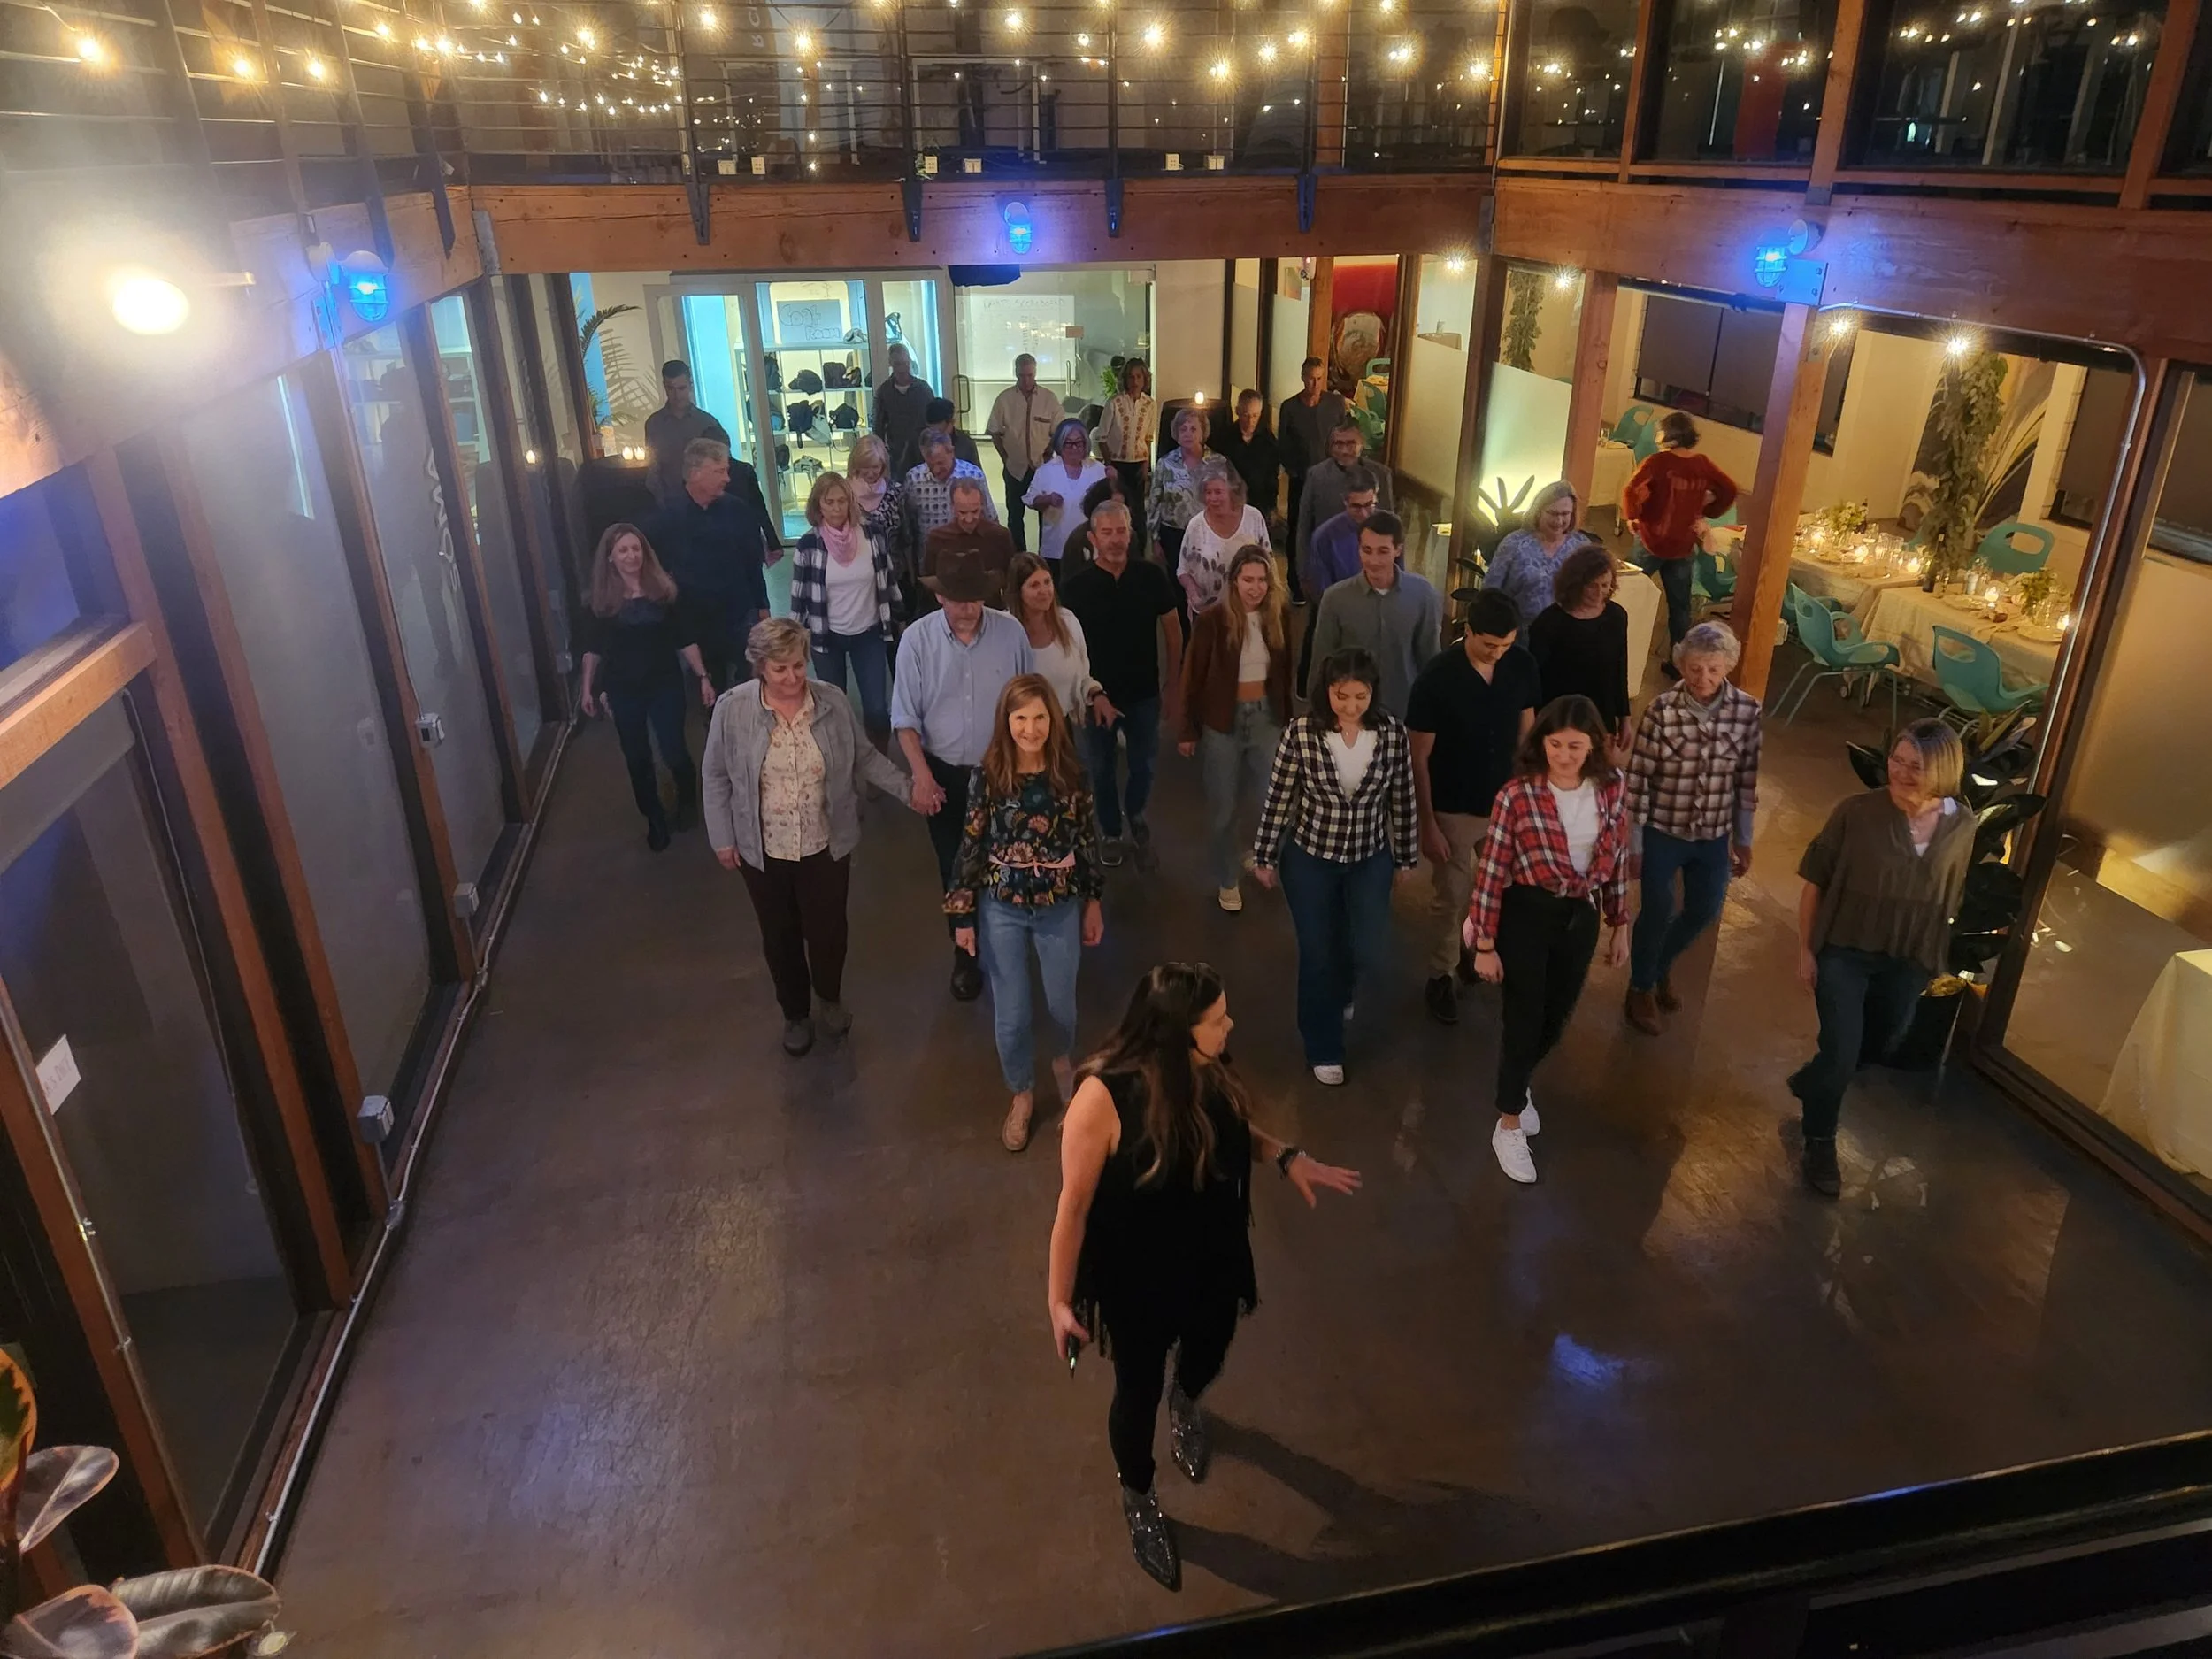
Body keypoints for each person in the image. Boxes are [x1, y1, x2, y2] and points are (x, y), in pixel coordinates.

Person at [1048, 962, 1362, 1590]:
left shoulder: (1204, 1069)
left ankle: (1185, 1398)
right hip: (1136, 1275)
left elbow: (1230, 1129)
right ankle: (1138, 1492)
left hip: (1210, 1250)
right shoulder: (1100, 1099)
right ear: (1175, 1033)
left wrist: (1285, 1156)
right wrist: (1057, 1300)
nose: (1231, 1026)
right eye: (1218, 1020)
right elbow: (1073, 1208)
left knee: (1211, 1344)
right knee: (1135, 1392)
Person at [703, 618, 916, 1055]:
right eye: (780, 669)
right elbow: (715, 775)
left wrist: (911, 791)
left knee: (829, 930)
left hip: (825, 842)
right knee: (779, 934)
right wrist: (722, 837)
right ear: (760, 667)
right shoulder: (733, 708)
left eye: (799, 665)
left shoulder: (832, 702)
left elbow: (865, 757)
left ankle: (830, 999)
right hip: (762, 848)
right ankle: (795, 1014)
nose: (792, 677)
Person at [1789, 718, 1970, 1197]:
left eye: (1917, 765)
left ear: (1944, 770)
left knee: (1878, 1045)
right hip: (1844, 951)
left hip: (1908, 959)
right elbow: (1814, 883)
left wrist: (1935, 957)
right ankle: (1820, 1142)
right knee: (1843, 1050)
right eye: (1897, 760)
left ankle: (1815, 1080)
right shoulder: (1856, 813)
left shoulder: (1962, 825)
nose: (1902, 772)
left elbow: (1948, 897)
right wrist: (1806, 950)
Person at [1465, 695, 1633, 1185]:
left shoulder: (1612, 788)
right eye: (1555, 744)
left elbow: (1618, 854)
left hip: (1579, 914)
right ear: (1541, 743)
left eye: (1574, 745)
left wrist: (1621, 920)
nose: (1563, 754)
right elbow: (1493, 870)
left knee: (1556, 1018)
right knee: (1523, 1016)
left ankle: (1518, 1083)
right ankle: (1509, 1121)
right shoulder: (1517, 795)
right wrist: (1485, 943)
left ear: (1594, 746)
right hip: (1525, 912)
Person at [948, 675, 1107, 1152]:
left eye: (1040, 717)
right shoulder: (989, 775)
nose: (1031, 728)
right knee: (1012, 1013)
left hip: (1058, 907)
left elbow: (1086, 841)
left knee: (1062, 1004)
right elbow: (970, 844)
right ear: (1006, 721)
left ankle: (1062, 1059)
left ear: (1053, 720)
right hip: (1003, 908)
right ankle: (1021, 1092)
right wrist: (962, 916)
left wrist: (1092, 900)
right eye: (1021, 718)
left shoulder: (1072, 774)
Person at [1251, 648, 1419, 1085]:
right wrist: (1265, 854)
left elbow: (1401, 797)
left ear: (1372, 694)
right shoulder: (1301, 733)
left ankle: (1342, 989)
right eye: (1341, 696)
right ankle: (1322, 1045)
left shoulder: (1392, 734)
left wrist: (1405, 855)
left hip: (1369, 858)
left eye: (1360, 697)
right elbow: (1280, 797)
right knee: (1318, 951)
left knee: (1366, 946)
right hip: (1310, 859)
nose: (1349, 706)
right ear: (1326, 692)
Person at [892, 545, 1036, 1001]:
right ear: (940, 598)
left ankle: (1009, 947)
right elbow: (905, 719)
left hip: (1004, 771)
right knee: (954, 867)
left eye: (975, 598)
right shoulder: (917, 641)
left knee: (1010, 861)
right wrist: (921, 776)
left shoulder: (1011, 634)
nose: (968, 608)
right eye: (958, 599)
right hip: (944, 774)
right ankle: (965, 955)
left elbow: (1031, 706)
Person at [1406, 588, 1541, 1025]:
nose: (1499, 654)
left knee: (1501, 889)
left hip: (1503, 804)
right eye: (1489, 645)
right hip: (1453, 806)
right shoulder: (1438, 677)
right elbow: (1418, 756)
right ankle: (1440, 974)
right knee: (1452, 894)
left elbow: (1526, 734)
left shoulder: (1521, 666)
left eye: (1506, 644)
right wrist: (1427, 823)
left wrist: (1527, 799)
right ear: (1468, 631)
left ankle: (1476, 950)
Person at [1623, 620, 1763, 1036]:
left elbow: (1747, 778)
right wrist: (1633, 843)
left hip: (1713, 834)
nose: (1704, 679)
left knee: (1705, 908)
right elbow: (1639, 780)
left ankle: (1659, 965)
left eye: (1714, 669)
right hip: (1663, 831)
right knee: (1658, 908)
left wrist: (1744, 837)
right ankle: (1641, 987)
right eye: (1696, 668)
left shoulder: (1747, 711)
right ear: (1682, 664)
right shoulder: (1661, 711)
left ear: (1728, 667)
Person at [1059, 501, 1185, 873]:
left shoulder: (1151, 576)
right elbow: (1066, 645)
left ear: (1130, 534)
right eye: (1107, 533)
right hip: (1095, 696)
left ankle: (1137, 813)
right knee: (1098, 767)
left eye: (1121, 531)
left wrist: (1173, 684)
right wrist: (1075, 695)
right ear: (1093, 538)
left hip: (1144, 691)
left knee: (1144, 764)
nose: (1115, 540)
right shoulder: (1075, 588)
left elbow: (1174, 633)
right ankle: (1111, 830)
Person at [578, 523, 716, 851]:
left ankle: (686, 801)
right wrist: (587, 689)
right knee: (637, 756)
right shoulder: (601, 600)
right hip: (623, 687)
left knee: (673, 749)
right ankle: (654, 817)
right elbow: (593, 648)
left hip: (664, 683)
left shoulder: (663, 591)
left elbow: (684, 639)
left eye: (636, 548)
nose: (631, 556)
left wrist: (702, 676)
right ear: (610, 557)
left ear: (645, 552)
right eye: (623, 550)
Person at [1178, 546, 1292, 913]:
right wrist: (1187, 729)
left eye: (1262, 580)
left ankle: (1257, 853)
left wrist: (1288, 720)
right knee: (1223, 808)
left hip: (1266, 719)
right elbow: (1192, 676)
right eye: (1248, 580)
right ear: (1234, 582)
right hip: (1221, 720)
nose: (1256, 588)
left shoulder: (1279, 616)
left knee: (1269, 801)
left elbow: (1284, 674)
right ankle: (1228, 879)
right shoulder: (1213, 619)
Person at [647, 437, 778, 692]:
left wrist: (763, 608)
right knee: (710, 691)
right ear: (695, 474)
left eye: (726, 470)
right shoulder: (668, 517)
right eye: (719, 471)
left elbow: (753, 563)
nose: (727, 478)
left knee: (753, 687)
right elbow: (659, 569)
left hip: (739, 616)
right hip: (696, 621)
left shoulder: (737, 510)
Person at [1305, 511, 1441, 720]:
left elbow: (1430, 661)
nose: (1373, 560)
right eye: (1366, 550)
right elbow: (1321, 663)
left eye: (1382, 551)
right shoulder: (1335, 598)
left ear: (1398, 550)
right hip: (1350, 715)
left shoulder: (1423, 595)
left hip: (1405, 713)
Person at [1621, 411, 1739, 653]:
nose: (1657, 435)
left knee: (1624, 591)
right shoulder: (1703, 464)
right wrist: (1710, 506)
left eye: (1660, 431)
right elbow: (1730, 489)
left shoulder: (1657, 462)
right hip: (1683, 546)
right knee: (1680, 607)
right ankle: (1678, 660)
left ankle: (1619, 645)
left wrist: (1632, 516)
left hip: (1651, 540)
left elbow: (1631, 490)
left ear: (1669, 434)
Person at [789, 472, 896, 738]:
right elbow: (799, 598)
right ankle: (841, 764)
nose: (836, 509)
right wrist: (794, 641)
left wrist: (898, 619)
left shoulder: (872, 536)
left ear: (850, 502)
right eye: (829, 502)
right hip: (827, 638)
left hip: (869, 633)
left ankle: (878, 763)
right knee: (831, 710)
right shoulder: (808, 545)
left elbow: (888, 581)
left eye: (841, 501)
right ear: (817, 506)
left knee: (876, 710)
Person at [642, 360, 781, 547]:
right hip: (671, 507)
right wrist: (660, 503)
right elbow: (653, 468)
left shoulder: (706, 423)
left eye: (681, 388)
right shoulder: (654, 424)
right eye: (670, 389)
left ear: (690, 385)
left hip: (707, 509)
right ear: (664, 386)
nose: (676, 395)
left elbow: (723, 467)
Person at [1527, 544, 1632, 748]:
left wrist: (1625, 719)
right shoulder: (1549, 622)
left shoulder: (1616, 617)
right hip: (1559, 719)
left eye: (1605, 585)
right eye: (1592, 585)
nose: (1599, 593)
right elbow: (1534, 682)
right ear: (1575, 584)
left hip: (1601, 717)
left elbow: (1619, 670)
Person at [1483, 481, 1601, 641]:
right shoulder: (1514, 543)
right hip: (1517, 637)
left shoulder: (1581, 547)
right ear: (1538, 512)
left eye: (1565, 514)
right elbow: (1489, 592)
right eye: (1553, 513)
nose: (1559, 521)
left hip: (1564, 637)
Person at [1297, 469, 1379, 687]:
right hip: (1340, 616)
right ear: (1344, 501)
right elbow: (1324, 593)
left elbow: (1398, 574)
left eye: (1369, 504)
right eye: (1356, 506)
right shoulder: (1324, 536)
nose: (1364, 514)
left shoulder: (1387, 527)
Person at [1293, 421, 1395, 572]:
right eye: (1338, 444)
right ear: (1330, 447)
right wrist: (1303, 569)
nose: (1345, 451)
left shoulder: (1381, 474)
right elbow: (1304, 525)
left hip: (1370, 562)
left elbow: (1390, 524)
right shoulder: (1316, 475)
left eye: (1351, 444)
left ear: (1362, 444)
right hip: (1328, 560)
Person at [1008, 553, 1097, 719]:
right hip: (1021, 729)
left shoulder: (1068, 621)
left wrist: (1097, 694)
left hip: (1064, 726)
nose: (1044, 591)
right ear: (1018, 592)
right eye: (1034, 585)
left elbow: (1083, 676)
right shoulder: (1005, 630)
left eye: (1047, 582)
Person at [987, 353, 1062, 554]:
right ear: (1015, 373)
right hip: (1015, 468)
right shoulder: (1004, 399)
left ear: (1035, 372)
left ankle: (1045, 555)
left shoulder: (1049, 399)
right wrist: (1005, 458)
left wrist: (1049, 454)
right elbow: (994, 431)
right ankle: (1018, 556)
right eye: (1021, 376)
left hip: (1042, 468)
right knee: (1015, 515)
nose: (1026, 380)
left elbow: (1059, 432)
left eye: (1029, 375)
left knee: (1046, 515)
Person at [1278, 357, 1349, 563]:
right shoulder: (1290, 408)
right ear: (1303, 378)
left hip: (1330, 479)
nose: (1315, 384)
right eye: (1311, 379)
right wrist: (1294, 470)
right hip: (1301, 479)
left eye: (1319, 378)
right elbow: (1283, 444)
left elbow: (1342, 436)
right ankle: (1296, 580)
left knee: (1328, 526)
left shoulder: (1335, 404)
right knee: (1298, 528)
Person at [1175, 463, 1270, 615]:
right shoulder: (1196, 526)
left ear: (1233, 492)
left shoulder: (1253, 517)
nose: (1212, 498)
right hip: (1208, 613)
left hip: (1248, 609)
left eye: (1218, 492)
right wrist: (1193, 592)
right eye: (1208, 492)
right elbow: (1183, 569)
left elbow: (1268, 562)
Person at [1025, 419, 1110, 575]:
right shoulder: (1046, 471)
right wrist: (1048, 499)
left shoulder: (1098, 470)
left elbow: (1111, 503)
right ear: (1059, 444)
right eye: (1068, 443)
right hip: (1056, 548)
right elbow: (1031, 500)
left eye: (1079, 442)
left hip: (1091, 547)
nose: (1074, 448)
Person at [1147, 405, 1217, 594]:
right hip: (1173, 536)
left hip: (1208, 534)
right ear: (1176, 434)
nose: (1188, 434)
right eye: (1183, 429)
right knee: (1176, 587)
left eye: (1193, 429)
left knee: (1206, 585)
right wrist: (1155, 539)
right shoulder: (1165, 463)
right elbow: (1154, 502)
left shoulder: (1217, 463)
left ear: (1203, 433)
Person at [845, 435, 914, 619]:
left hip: (894, 574)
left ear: (884, 465)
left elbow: (906, 536)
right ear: (855, 464)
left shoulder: (896, 491)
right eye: (865, 467)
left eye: (875, 467)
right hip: (858, 576)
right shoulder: (844, 493)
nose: (871, 473)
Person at [921, 477, 1017, 608]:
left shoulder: (1000, 536)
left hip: (993, 613)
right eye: (962, 512)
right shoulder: (937, 538)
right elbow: (930, 584)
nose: (969, 519)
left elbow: (1012, 580)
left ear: (982, 505)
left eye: (975, 511)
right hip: (951, 615)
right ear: (952, 507)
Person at [905, 428, 998, 552]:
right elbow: (909, 526)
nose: (936, 470)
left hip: (968, 551)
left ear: (951, 452)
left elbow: (991, 518)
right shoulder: (914, 479)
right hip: (930, 555)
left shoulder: (973, 475)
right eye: (930, 465)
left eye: (940, 463)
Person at [1096, 357, 1158, 542]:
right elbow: (1101, 437)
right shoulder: (1114, 403)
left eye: (1139, 376)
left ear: (1145, 379)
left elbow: (1148, 438)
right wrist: (1109, 466)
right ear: (1125, 379)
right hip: (1117, 464)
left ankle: (1139, 551)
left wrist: (1146, 465)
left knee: (1138, 509)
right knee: (1118, 506)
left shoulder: (1150, 404)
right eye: (1131, 377)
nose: (1135, 381)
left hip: (1138, 463)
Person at [1211, 389, 1280, 530]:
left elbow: (1272, 476)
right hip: (1230, 505)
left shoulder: (1268, 440)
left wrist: (1272, 507)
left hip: (1259, 504)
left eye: (1255, 416)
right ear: (1237, 411)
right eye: (1246, 415)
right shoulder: (1224, 438)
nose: (1250, 421)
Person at [871, 342, 935, 482]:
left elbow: (935, 421)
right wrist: (881, 453)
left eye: (905, 363)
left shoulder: (924, 390)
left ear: (910, 362)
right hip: (897, 454)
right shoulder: (884, 392)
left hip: (924, 450)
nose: (902, 368)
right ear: (890, 364)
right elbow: (878, 426)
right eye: (898, 363)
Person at [1057, 472, 1126, 575]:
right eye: (1112, 507)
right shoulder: (1079, 539)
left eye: (1122, 507)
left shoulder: (1129, 536)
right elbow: (1069, 582)